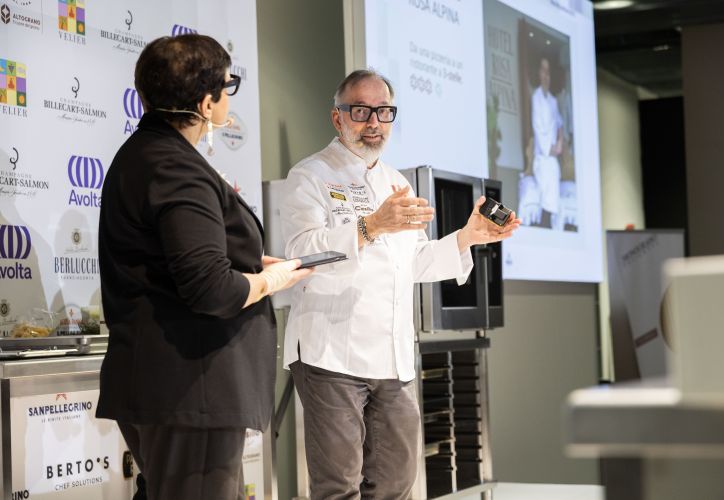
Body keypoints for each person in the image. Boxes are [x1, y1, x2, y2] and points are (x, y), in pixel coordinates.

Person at [279, 69, 521, 499]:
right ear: (338, 118)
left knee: (397, 482)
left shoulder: (396, 181)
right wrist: (370, 225)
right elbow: (303, 253)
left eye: (384, 111)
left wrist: (468, 237)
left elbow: (414, 262)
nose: (373, 121)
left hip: (391, 357)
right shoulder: (310, 175)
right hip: (330, 353)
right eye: (361, 110)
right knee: (338, 486)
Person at [96, 34, 311, 500]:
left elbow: (177, 261)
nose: (229, 95)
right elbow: (211, 290)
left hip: (167, 387)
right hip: (191, 390)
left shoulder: (143, 155)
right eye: (227, 85)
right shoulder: (176, 167)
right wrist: (268, 280)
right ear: (204, 100)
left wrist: (250, 265)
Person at [530, 57, 564, 229]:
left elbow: (559, 123)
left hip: (552, 156)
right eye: (543, 70)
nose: (546, 75)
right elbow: (537, 127)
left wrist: (559, 143)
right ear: (538, 73)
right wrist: (548, 148)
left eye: (548, 71)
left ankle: (549, 221)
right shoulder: (536, 98)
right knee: (548, 173)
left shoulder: (553, 100)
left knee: (554, 171)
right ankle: (544, 222)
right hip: (542, 156)